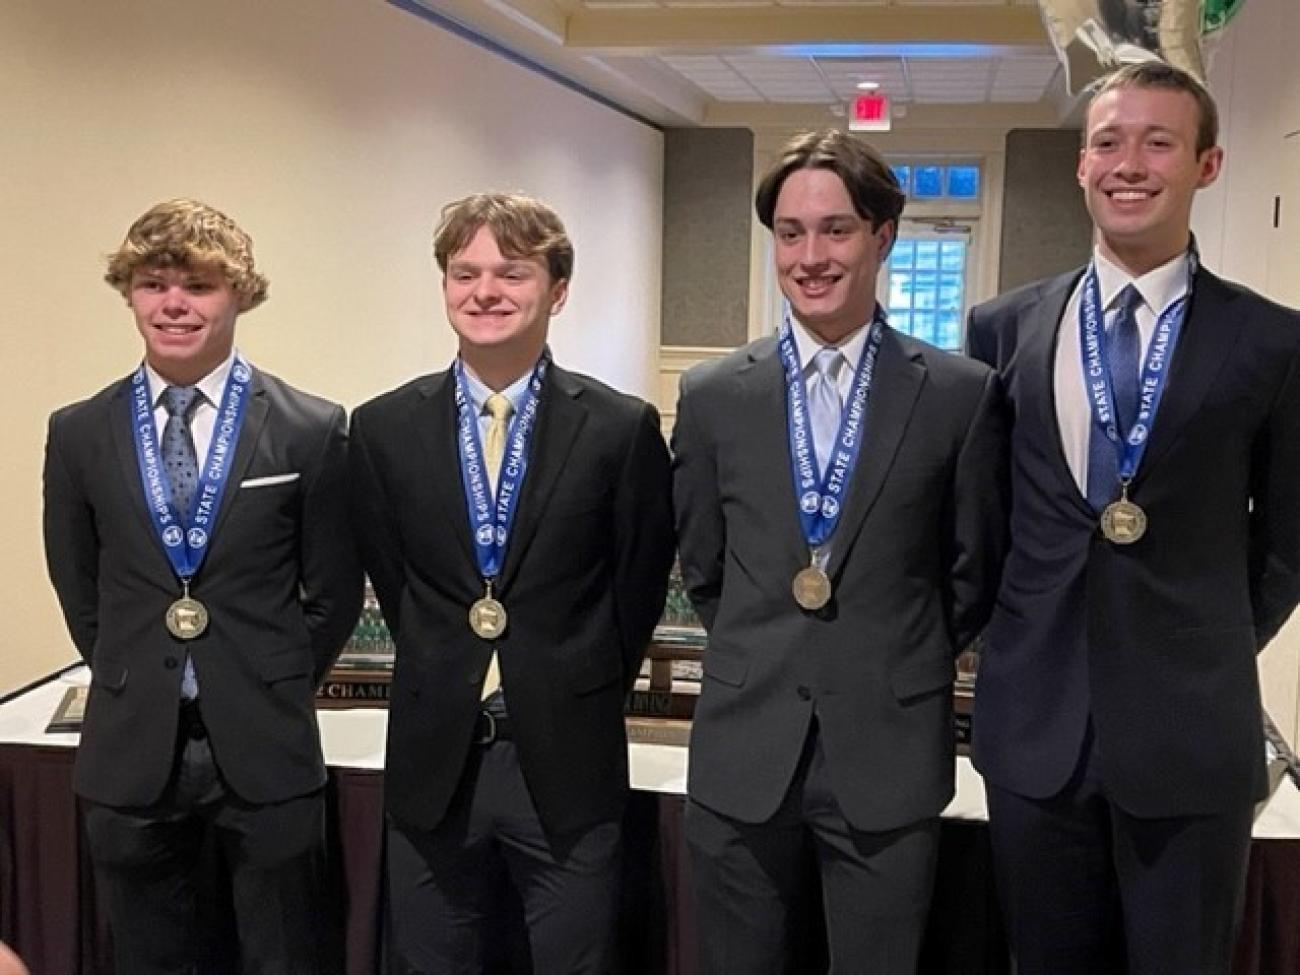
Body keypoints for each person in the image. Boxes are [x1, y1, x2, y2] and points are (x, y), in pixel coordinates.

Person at [965, 61, 1300, 975]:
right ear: (1081, 165)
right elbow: (985, 520)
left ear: (1208, 164)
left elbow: (1287, 542)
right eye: (1109, 142)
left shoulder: (1274, 341)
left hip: (1190, 733)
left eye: (1160, 142)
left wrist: (1205, 635)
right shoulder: (1003, 329)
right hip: (1035, 733)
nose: (1130, 163)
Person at [671, 130, 1009, 972]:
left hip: (888, 749)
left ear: (882, 236)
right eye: (790, 233)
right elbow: (705, 566)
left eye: (836, 229)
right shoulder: (713, 397)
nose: (810, 255)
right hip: (744, 750)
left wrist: (891, 655)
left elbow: (971, 570)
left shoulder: (959, 395)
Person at [349, 192, 675, 973]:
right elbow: (399, 588)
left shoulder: (619, 428)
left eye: (511, 273)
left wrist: (569, 682)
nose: (485, 290)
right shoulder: (383, 428)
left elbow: (635, 588)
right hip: (436, 762)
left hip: (566, 760)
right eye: (465, 273)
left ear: (557, 290)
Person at [42, 199, 362, 973]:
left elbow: (333, 590)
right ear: (129, 295)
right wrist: (130, 674)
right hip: (132, 750)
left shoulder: (309, 428)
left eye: (199, 286)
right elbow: (78, 583)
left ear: (238, 296)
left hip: (266, 747)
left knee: (285, 957)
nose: (174, 304)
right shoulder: (79, 431)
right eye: (153, 284)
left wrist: (268, 677)